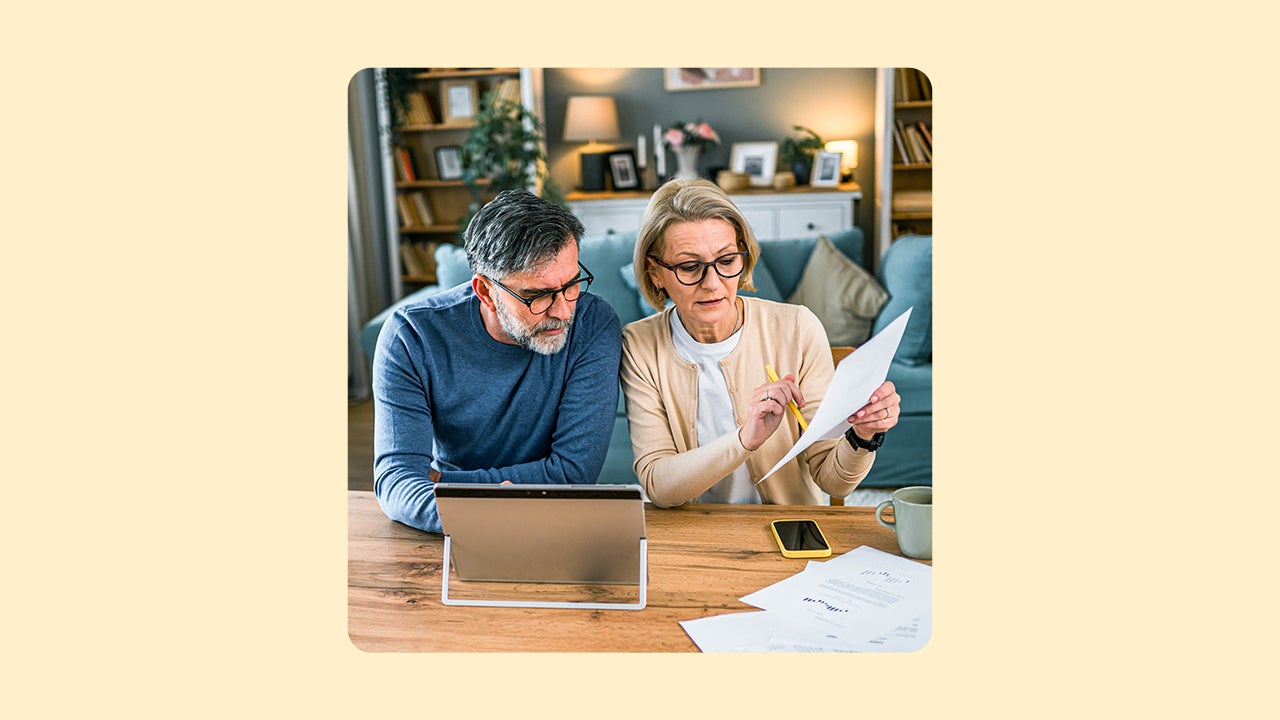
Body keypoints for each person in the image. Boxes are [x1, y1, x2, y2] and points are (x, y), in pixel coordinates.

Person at [620, 179, 899, 508]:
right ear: (655, 273)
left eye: (726, 261)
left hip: (788, 531)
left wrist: (863, 435)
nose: (713, 284)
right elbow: (659, 486)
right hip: (693, 535)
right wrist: (743, 440)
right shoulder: (639, 345)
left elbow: (833, 481)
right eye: (689, 267)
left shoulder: (797, 327)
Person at [373, 189, 622, 533]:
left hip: (555, 521)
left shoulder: (594, 324)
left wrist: (449, 483)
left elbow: (572, 474)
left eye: (571, 285)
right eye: (537, 296)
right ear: (485, 292)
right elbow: (396, 480)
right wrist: (482, 511)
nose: (564, 311)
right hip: (449, 535)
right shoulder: (411, 336)